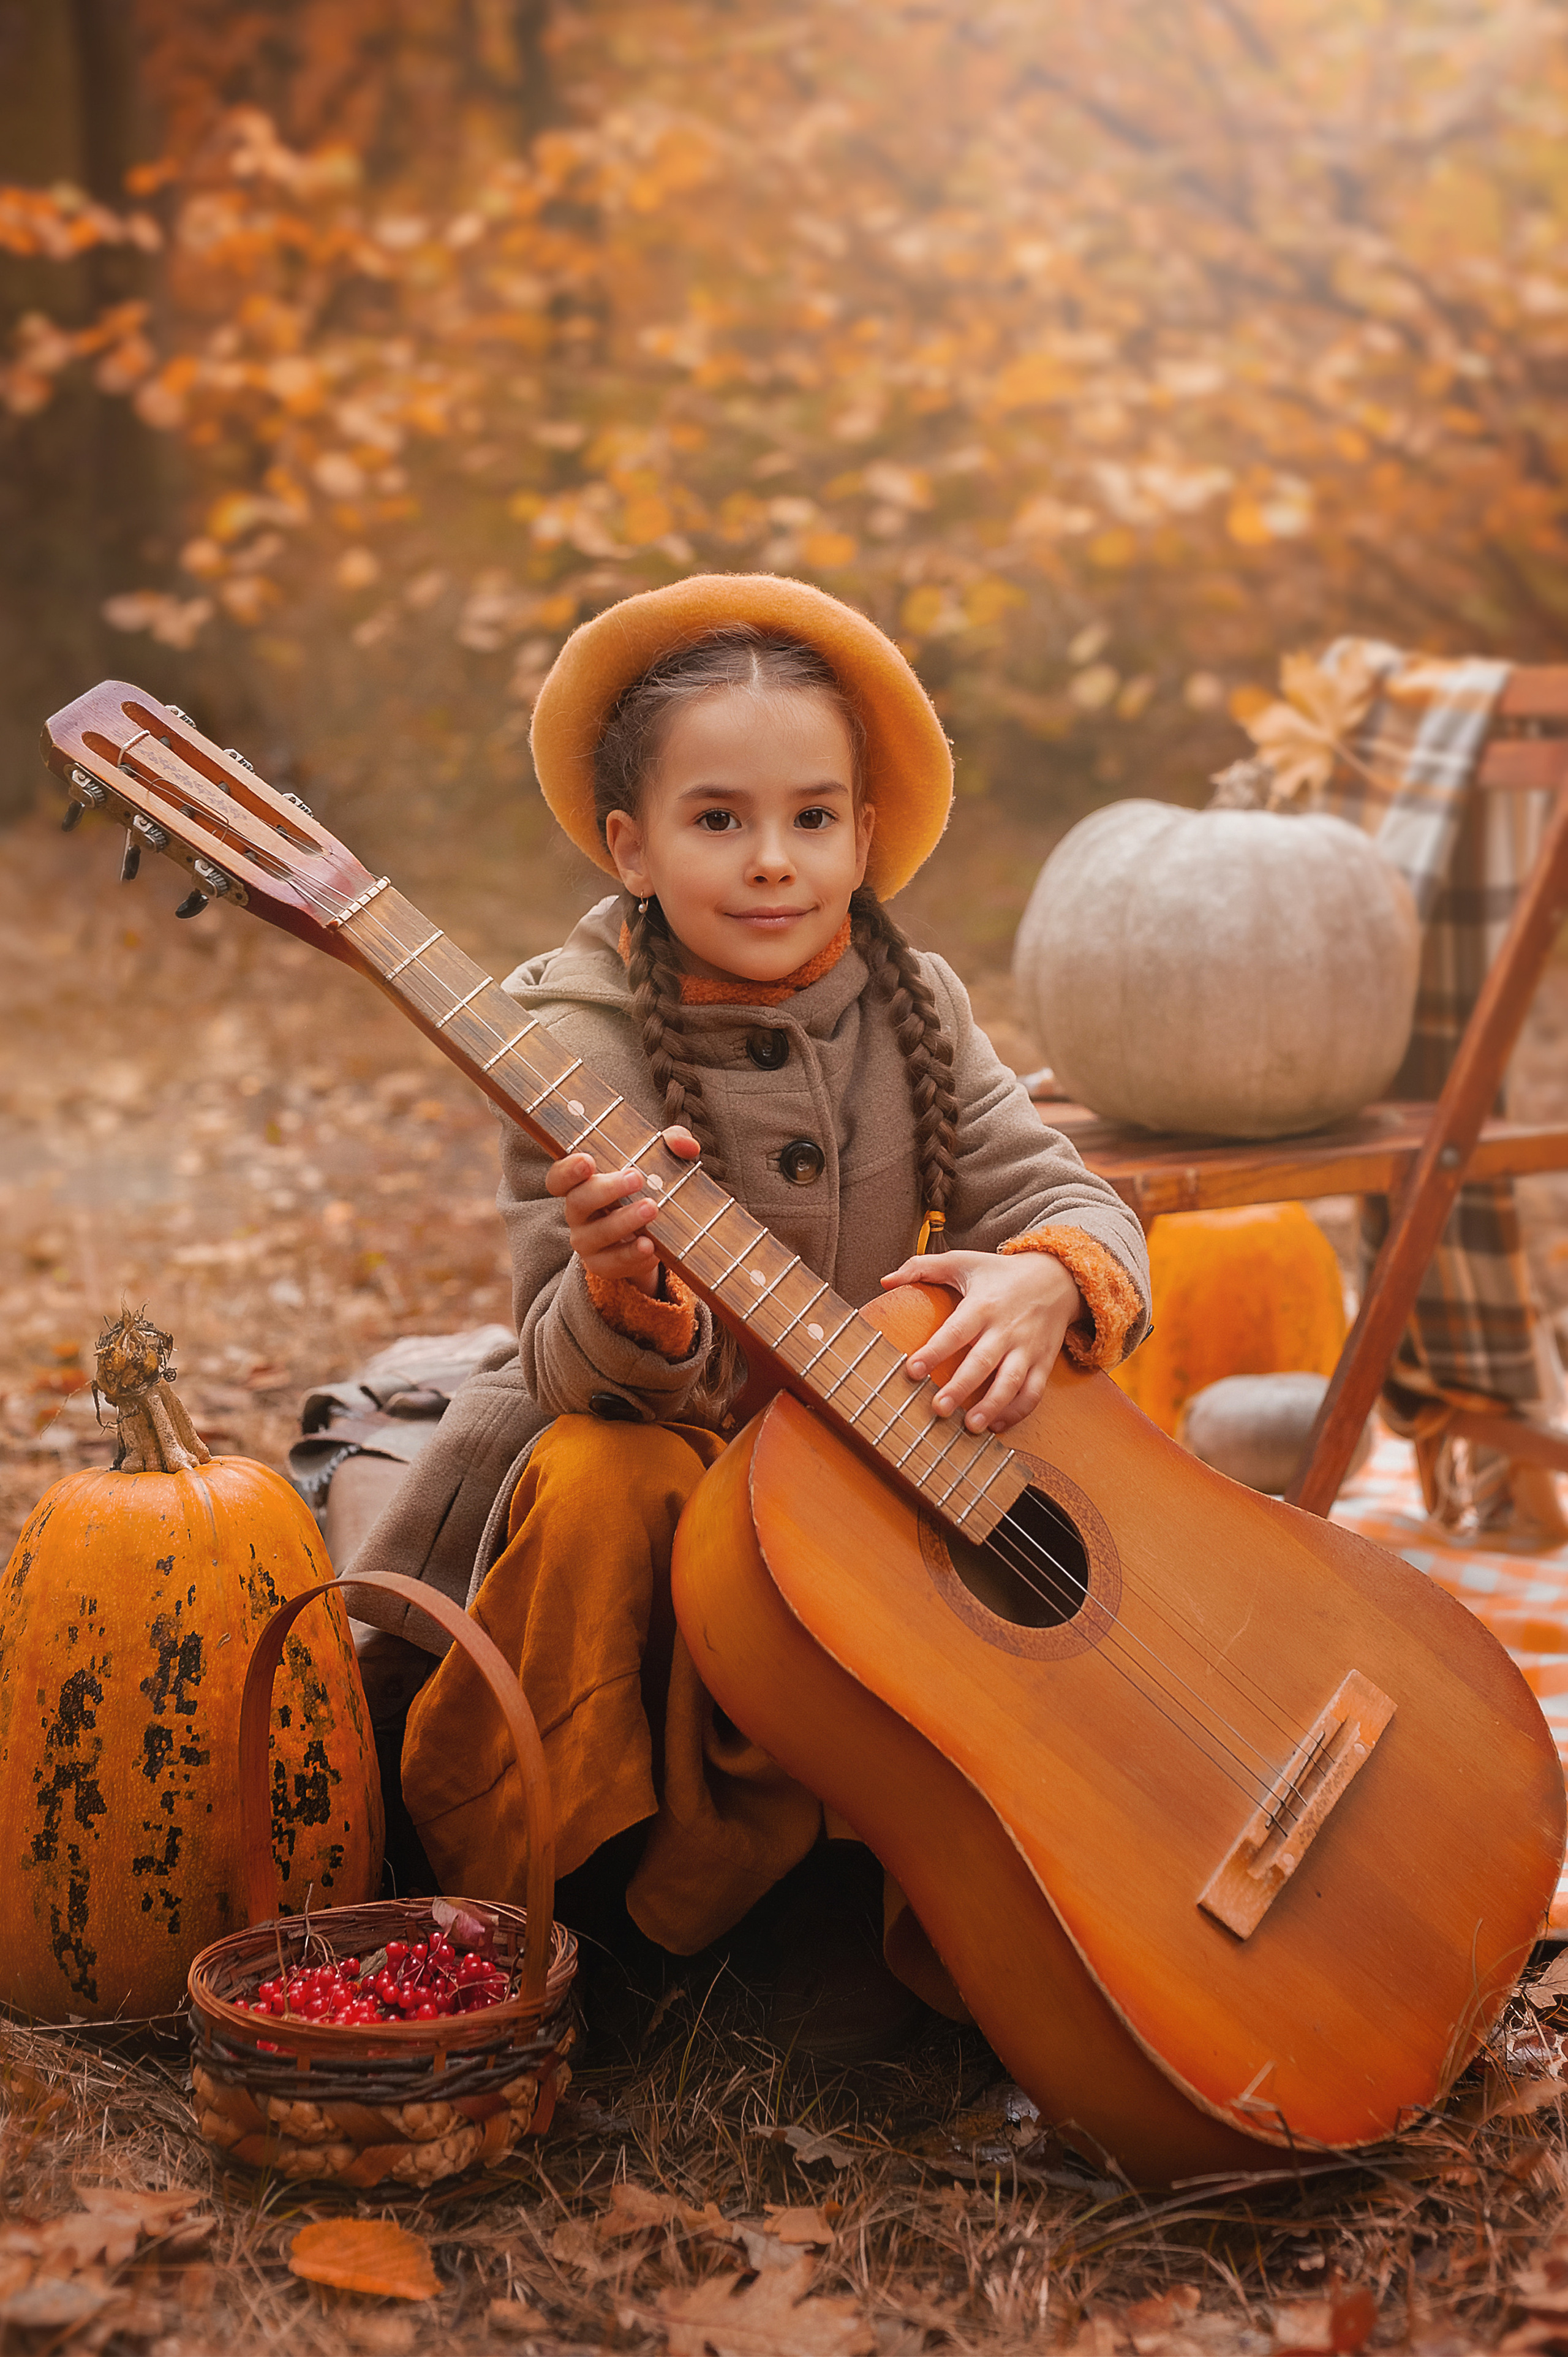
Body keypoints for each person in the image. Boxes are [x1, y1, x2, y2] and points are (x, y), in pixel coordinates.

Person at [393, 573, 1152, 2049]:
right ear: (631, 844)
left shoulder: (912, 999)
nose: (771, 863)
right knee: (601, 1479)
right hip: (665, 1462)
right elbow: (559, 1351)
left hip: (854, 1464)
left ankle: (862, 1892)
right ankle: (584, 1907)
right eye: (717, 819)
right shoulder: (566, 1035)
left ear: (864, 837)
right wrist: (631, 1300)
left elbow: (1065, 1193)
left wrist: (1046, 1272)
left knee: (1042, 1445)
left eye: (812, 818)